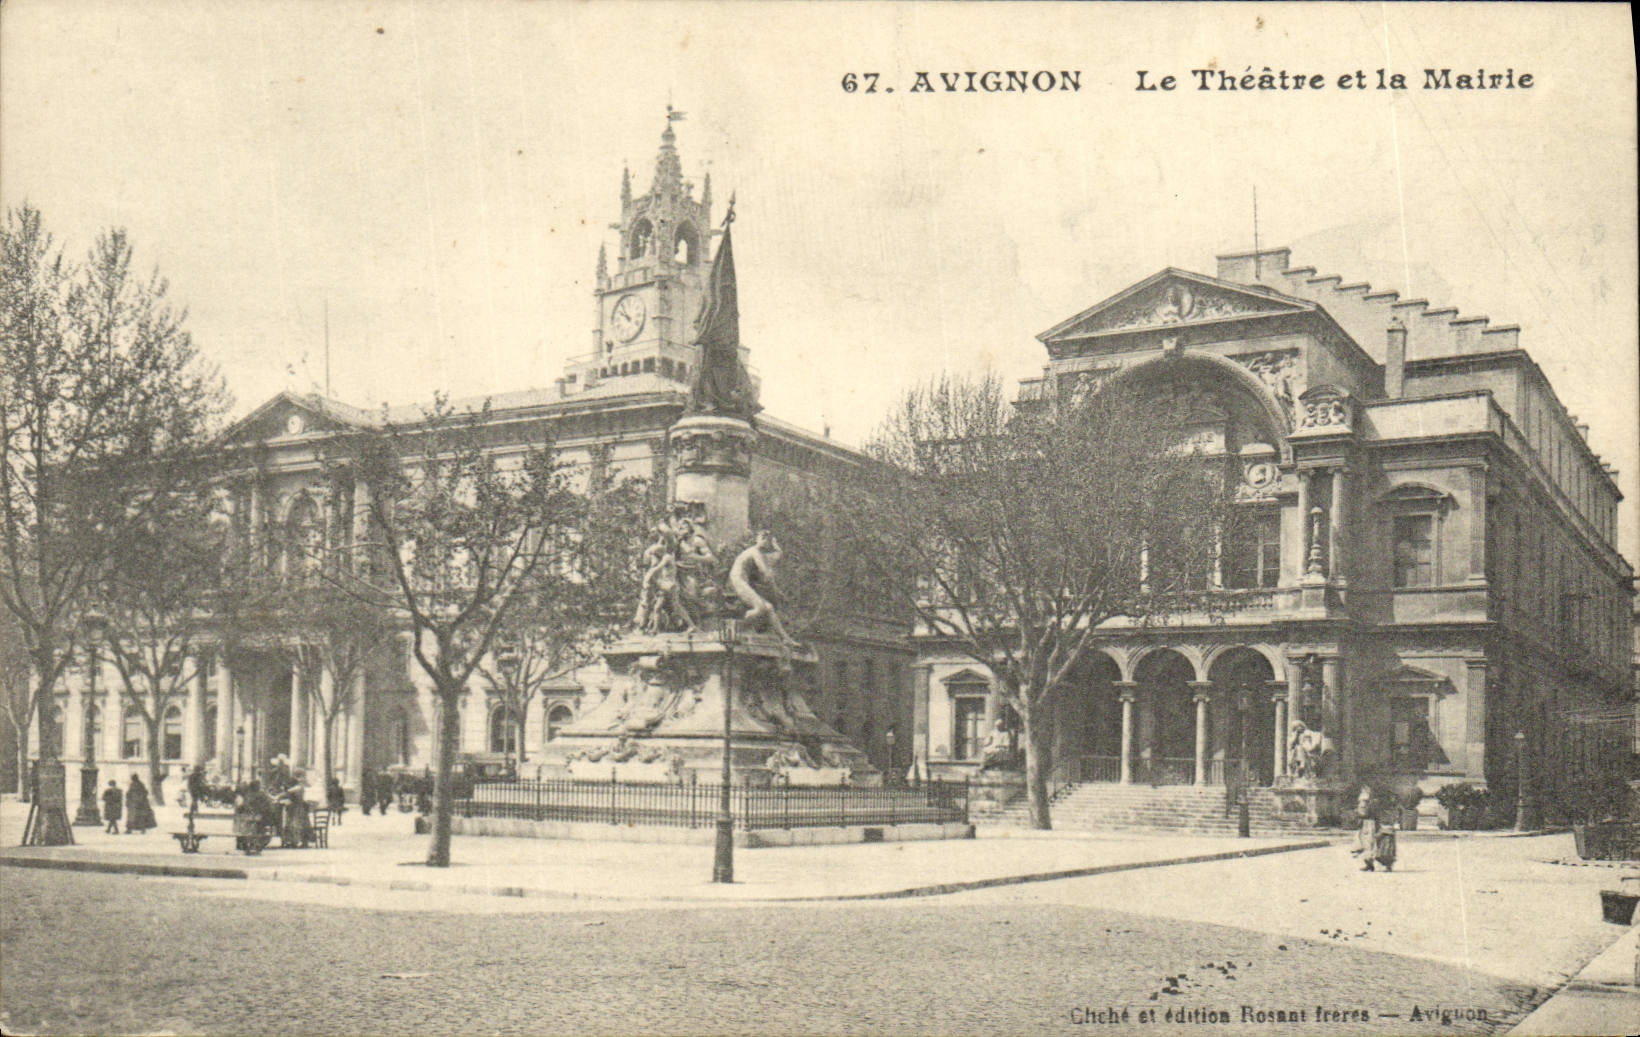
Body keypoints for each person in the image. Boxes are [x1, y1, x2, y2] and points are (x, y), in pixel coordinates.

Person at [1352, 786, 1398, 873]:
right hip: (1367, 824)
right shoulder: (1369, 802)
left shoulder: (1376, 803)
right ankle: (1369, 864)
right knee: (1366, 846)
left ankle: (1386, 865)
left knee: (1379, 846)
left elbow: (1371, 813)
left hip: (1374, 824)